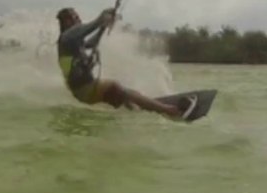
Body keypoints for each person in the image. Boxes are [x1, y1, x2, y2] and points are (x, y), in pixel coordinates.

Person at [55, 6, 195, 119]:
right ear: (67, 22)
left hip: (86, 89)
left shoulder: (75, 42)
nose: (79, 19)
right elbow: (88, 27)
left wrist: (103, 27)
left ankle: (144, 111)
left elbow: (92, 42)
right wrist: (101, 18)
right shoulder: (67, 38)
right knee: (116, 87)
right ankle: (169, 111)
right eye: (75, 17)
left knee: (126, 94)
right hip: (84, 90)